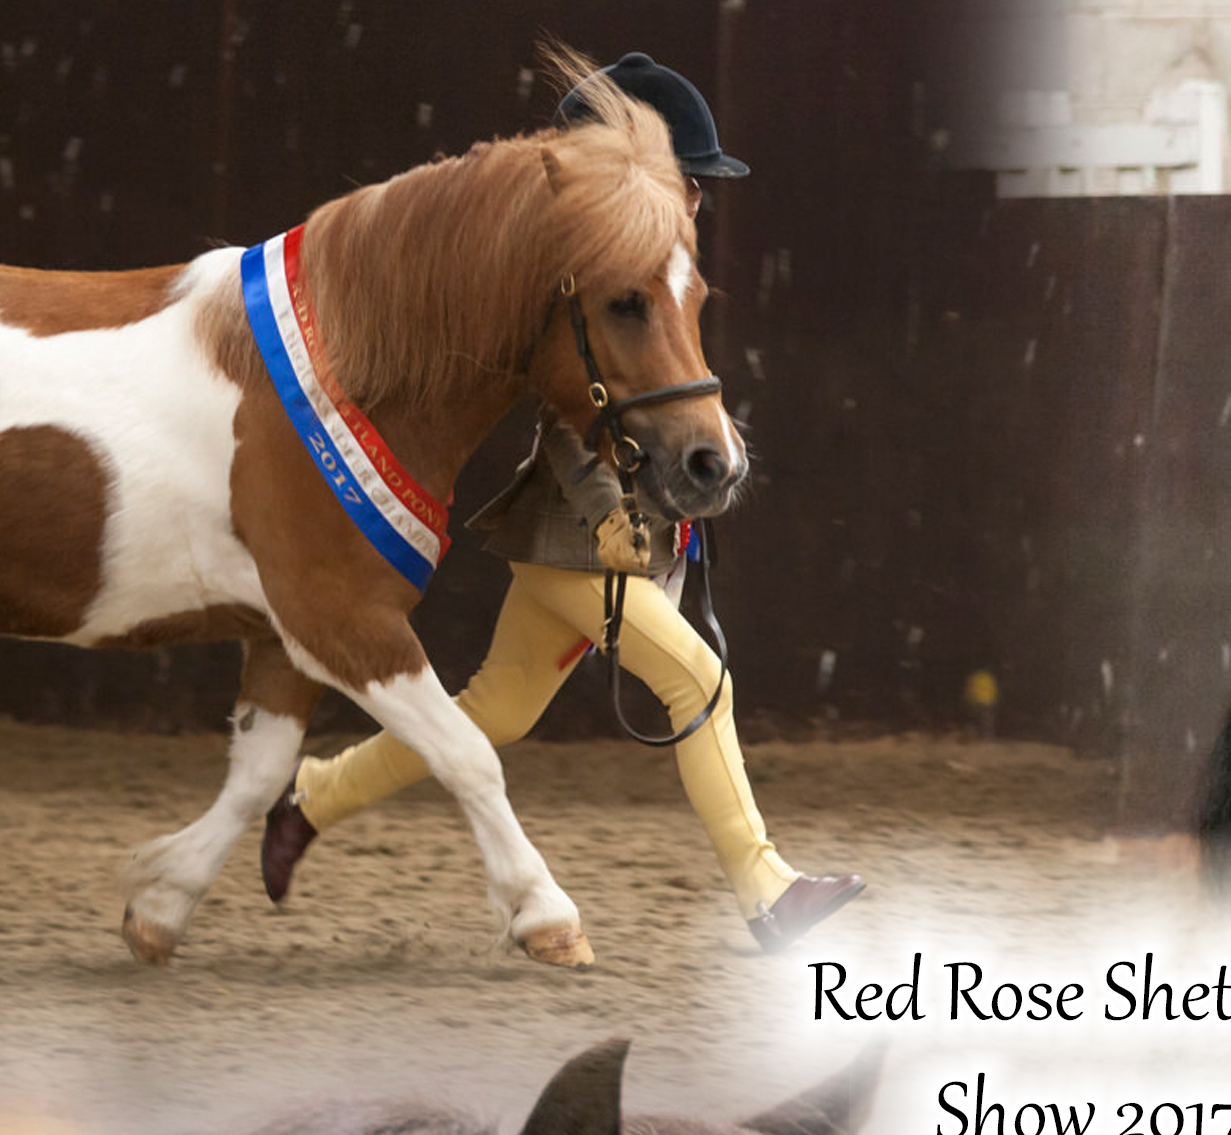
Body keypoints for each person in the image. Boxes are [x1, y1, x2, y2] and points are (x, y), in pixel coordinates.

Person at [258, 53, 865, 956]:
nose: (696, 200)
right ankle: (769, 892)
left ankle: (313, 797)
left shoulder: (654, 264)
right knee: (698, 682)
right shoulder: (595, 271)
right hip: (577, 541)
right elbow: (570, 422)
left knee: (494, 710)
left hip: (601, 543)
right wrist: (619, 523)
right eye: (689, 181)